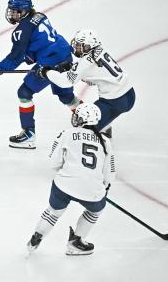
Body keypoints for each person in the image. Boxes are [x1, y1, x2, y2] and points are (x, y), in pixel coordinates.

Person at [0, 0, 79, 149]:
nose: (12, 14)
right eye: (11, 11)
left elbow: (15, 59)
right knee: (66, 96)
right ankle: (95, 123)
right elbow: (38, 44)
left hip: (49, 63)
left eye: (16, 11)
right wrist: (30, 57)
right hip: (64, 55)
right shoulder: (40, 16)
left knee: (24, 93)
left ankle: (28, 134)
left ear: (25, 11)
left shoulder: (21, 32)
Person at [27, 103, 115, 256]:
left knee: (54, 211)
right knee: (95, 211)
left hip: (63, 185)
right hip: (92, 191)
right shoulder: (105, 142)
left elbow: (53, 163)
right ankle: (76, 242)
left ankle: (37, 236)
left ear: (81, 119)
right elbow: (109, 175)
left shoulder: (67, 134)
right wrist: (103, 189)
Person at [37, 28, 135, 137]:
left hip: (115, 101)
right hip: (129, 93)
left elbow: (65, 82)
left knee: (84, 128)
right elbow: (94, 75)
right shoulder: (99, 50)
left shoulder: (86, 63)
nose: (76, 47)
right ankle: (104, 126)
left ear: (88, 46)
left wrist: (46, 72)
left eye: (79, 45)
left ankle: (99, 131)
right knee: (94, 115)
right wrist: (73, 69)